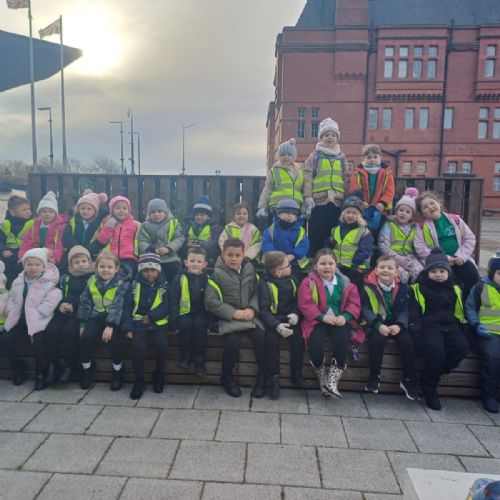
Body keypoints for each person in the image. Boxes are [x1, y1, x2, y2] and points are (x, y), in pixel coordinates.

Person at [205, 238, 267, 398]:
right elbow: (211, 301)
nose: (233, 259)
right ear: (222, 255)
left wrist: (252, 309)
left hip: (249, 316)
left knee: (261, 338)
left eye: (237, 255)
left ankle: (262, 377)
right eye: (229, 255)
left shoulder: (250, 270)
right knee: (232, 343)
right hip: (229, 317)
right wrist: (233, 313)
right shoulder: (216, 275)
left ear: (243, 254)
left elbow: (257, 292)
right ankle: (227, 377)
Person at [409, 248, 469, 410]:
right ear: (427, 272)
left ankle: (438, 371)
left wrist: (464, 325)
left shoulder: (455, 288)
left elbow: (460, 310)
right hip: (430, 325)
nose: (438, 274)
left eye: (442, 271)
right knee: (436, 352)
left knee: (462, 347)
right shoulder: (418, 288)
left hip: (451, 324)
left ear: (448, 273)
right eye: (434, 271)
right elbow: (414, 313)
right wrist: (416, 331)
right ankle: (429, 387)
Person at [297, 249, 360, 398]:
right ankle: (322, 377)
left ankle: (332, 381)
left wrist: (345, 316)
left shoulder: (345, 282)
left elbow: (354, 302)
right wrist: (321, 317)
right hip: (317, 320)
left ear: (336, 265)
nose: (327, 267)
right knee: (316, 343)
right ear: (315, 266)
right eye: (323, 263)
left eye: (330, 263)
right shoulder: (309, 282)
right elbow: (305, 303)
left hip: (339, 320)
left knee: (342, 342)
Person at [0, 248, 61, 390]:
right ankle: (17, 368)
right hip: (19, 317)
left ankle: (40, 372)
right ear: (24, 266)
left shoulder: (48, 281)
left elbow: (54, 297)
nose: (33, 267)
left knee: (37, 341)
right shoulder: (19, 281)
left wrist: (40, 312)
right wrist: (10, 311)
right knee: (5, 339)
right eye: (29, 264)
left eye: (37, 264)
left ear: (43, 266)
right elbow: (12, 298)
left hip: (37, 318)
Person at [362, 255, 418, 400]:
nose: (385, 270)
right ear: (375, 270)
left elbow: (405, 310)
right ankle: (374, 377)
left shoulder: (404, 288)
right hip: (377, 323)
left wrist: (399, 325)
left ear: (396, 271)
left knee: (407, 342)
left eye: (390, 268)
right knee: (376, 341)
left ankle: (408, 380)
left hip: (396, 323)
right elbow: (365, 309)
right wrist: (377, 325)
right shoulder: (368, 287)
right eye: (382, 267)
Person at [77, 251, 130, 391]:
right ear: (96, 267)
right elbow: (84, 302)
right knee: (85, 338)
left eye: (109, 267)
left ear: (116, 269)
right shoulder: (91, 281)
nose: (105, 270)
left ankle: (118, 370)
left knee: (115, 341)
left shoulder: (122, 283)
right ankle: (86, 369)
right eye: (102, 267)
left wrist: (110, 325)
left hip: (113, 319)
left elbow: (118, 306)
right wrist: (82, 323)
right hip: (96, 316)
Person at [414, 190, 479, 300]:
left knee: (472, 274)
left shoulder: (455, 220)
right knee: (447, 282)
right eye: (425, 207)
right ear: (422, 213)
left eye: (432, 203)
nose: (430, 207)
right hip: (439, 262)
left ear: (439, 203)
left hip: (460, 259)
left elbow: (469, 238)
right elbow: (421, 249)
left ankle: (468, 303)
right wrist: (445, 259)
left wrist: (461, 256)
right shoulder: (421, 227)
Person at [44, 246, 95, 384]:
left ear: (89, 261)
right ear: (70, 264)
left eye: (84, 261)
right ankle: (53, 364)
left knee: (69, 332)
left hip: (80, 312)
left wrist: (75, 305)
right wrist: (59, 304)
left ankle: (70, 365)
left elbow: (91, 297)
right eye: (76, 262)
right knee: (51, 331)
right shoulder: (65, 277)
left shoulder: (92, 277)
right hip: (63, 310)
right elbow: (56, 293)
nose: (81, 264)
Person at [258, 251, 304, 399]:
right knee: (271, 343)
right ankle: (274, 377)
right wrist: (277, 325)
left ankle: (296, 372)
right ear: (278, 271)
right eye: (288, 265)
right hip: (274, 321)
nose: (290, 267)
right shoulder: (264, 285)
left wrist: (296, 314)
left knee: (299, 340)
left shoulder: (293, 280)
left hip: (290, 319)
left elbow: (298, 301)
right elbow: (264, 311)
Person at [123, 253, 169, 400]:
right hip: (138, 322)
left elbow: (167, 305)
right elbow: (127, 307)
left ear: (158, 270)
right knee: (138, 348)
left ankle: (159, 374)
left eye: (153, 270)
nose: (150, 273)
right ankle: (139, 380)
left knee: (162, 345)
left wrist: (152, 317)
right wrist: (127, 327)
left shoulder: (164, 285)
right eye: (146, 270)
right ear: (141, 271)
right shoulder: (133, 286)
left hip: (158, 322)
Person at [304, 117, 349, 255]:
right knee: (316, 230)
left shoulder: (342, 158)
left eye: (333, 135)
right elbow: (308, 177)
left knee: (333, 231)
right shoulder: (315, 156)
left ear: (337, 138)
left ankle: (331, 259)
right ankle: (314, 257)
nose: (330, 138)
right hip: (319, 201)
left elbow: (346, 178)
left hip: (336, 201)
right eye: (326, 135)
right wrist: (308, 196)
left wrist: (347, 198)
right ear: (321, 138)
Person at [465, 250, 500, 414]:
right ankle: (489, 395)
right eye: (499, 273)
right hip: (488, 331)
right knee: (492, 357)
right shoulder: (481, 287)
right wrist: (476, 323)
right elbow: (470, 307)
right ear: (492, 273)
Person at [169, 247, 211, 376]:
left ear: (205, 264)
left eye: (199, 261)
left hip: (201, 311)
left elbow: (212, 302)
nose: (195, 264)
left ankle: (199, 359)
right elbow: (174, 301)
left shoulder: (208, 279)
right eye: (192, 261)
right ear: (186, 262)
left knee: (200, 326)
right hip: (185, 311)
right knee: (185, 326)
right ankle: (185, 356)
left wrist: (211, 322)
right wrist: (174, 322)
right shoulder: (179, 278)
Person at [348, 144, 395, 236]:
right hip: (363, 208)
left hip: (380, 208)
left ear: (380, 158)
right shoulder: (357, 173)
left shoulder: (386, 173)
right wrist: (361, 201)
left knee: (379, 232)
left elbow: (390, 190)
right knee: (362, 231)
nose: (372, 160)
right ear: (363, 158)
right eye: (369, 157)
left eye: (375, 157)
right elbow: (353, 188)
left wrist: (383, 203)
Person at [379, 187, 423, 283]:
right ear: (396, 211)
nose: (403, 213)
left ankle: (414, 291)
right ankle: (402, 291)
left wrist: (417, 260)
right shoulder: (389, 225)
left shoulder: (414, 228)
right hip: (392, 257)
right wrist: (397, 258)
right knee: (403, 275)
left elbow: (418, 246)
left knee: (420, 272)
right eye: (401, 210)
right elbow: (383, 245)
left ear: (412, 216)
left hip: (409, 257)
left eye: (408, 212)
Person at [329, 194, 373, 289]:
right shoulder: (335, 230)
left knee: (353, 289)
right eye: (348, 212)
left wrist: (354, 264)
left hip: (354, 268)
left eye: (354, 213)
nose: (350, 215)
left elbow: (365, 251)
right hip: (337, 266)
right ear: (343, 214)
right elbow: (329, 247)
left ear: (360, 216)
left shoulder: (364, 232)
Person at [138, 198, 184, 283]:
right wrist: (150, 248)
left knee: (175, 268)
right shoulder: (144, 226)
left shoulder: (173, 223)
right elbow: (141, 241)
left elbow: (179, 238)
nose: (156, 214)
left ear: (165, 212)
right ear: (149, 214)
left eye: (159, 211)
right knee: (147, 271)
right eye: (153, 212)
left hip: (170, 257)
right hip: (151, 256)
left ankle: (172, 288)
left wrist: (168, 248)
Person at [261, 198, 310, 278]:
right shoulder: (270, 229)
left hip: (294, 264)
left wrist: (293, 255)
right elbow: (266, 244)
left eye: (294, 213)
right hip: (274, 263)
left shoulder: (300, 231)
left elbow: (304, 245)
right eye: (287, 212)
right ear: (278, 214)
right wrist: (276, 257)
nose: (290, 216)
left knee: (293, 282)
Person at [257, 138, 305, 218]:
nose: (286, 157)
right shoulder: (274, 171)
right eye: (283, 155)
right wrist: (262, 207)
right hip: (277, 208)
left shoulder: (300, 171)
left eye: (289, 155)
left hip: (295, 208)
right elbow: (267, 190)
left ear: (294, 156)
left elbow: (303, 191)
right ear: (279, 157)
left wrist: (305, 208)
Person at [96, 195, 141, 280]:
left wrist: (138, 256)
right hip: (111, 257)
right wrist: (109, 227)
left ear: (129, 210)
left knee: (128, 277)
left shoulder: (135, 224)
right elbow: (101, 240)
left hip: (129, 257)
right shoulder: (107, 223)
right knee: (112, 278)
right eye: (117, 208)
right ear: (112, 210)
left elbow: (139, 241)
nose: (121, 210)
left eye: (124, 208)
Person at [19, 191, 68, 266]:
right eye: (44, 211)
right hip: (36, 254)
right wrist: (23, 255)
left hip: (52, 255)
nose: (47, 214)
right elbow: (27, 242)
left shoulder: (60, 227)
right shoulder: (34, 226)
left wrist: (55, 258)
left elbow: (60, 245)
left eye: (50, 212)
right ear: (39, 213)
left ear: (55, 214)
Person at [62, 190, 107, 267]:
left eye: (89, 209)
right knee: (64, 265)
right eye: (82, 208)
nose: (85, 211)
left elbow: (100, 241)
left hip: (92, 253)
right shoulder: (73, 221)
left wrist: (87, 251)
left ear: (95, 211)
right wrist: (78, 249)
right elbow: (67, 237)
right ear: (78, 209)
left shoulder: (100, 224)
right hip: (74, 252)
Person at [0, 195, 34, 287]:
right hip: (9, 253)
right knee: (6, 268)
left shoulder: (32, 223)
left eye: (29, 209)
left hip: (25, 252)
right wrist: (3, 250)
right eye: (24, 210)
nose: (28, 211)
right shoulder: (5, 224)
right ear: (13, 212)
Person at [182, 196, 221, 268]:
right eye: (197, 215)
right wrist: (187, 242)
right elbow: (183, 238)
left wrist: (202, 245)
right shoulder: (189, 226)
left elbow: (215, 242)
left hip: (206, 255)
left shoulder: (214, 227)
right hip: (191, 253)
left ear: (208, 216)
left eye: (202, 215)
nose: (199, 217)